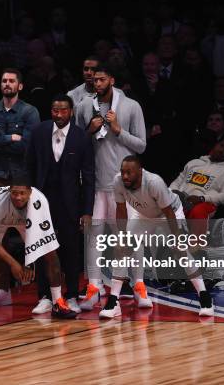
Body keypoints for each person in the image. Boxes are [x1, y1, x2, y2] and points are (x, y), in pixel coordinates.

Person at [100, 156, 214, 318]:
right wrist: (122, 236)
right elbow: (121, 210)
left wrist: (176, 238)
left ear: (140, 172)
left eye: (129, 173)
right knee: (122, 250)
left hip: (169, 213)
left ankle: (204, 297)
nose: (125, 176)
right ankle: (113, 302)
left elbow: (168, 212)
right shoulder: (118, 181)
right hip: (143, 215)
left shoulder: (154, 183)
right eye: (123, 172)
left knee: (181, 252)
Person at [74, 64, 146, 309]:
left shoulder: (131, 106)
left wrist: (118, 130)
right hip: (95, 185)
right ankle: (93, 287)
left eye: (102, 79)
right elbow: (76, 143)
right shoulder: (84, 106)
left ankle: (139, 286)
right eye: (94, 80)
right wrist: (88, 131)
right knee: (93, 238)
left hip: (124, 186)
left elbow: (141, 146)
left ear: (112, 80)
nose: (97, 84)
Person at [0, 180, 78, 323]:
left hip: (29, 220)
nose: (18, 197)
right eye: (14, 193)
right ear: (9, 191)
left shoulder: (39, 202)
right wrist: (14, 264)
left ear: (30, 192)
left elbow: (39, 240)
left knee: (50, 251)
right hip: (0, 220)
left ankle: (58, 302)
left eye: (22, 193)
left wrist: (29, 263)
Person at [26, 94, 95, 314]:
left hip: (70, 202)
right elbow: (29, 167)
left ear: (71, 112)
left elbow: (89, 178)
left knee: (70, 250)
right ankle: (45, 296)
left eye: (63, 110)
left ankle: (72, 295)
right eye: (55, 110)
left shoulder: (81, 137)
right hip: (41, 201)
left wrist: (87, 211)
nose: (59, 114)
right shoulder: (39, 132)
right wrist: (28, 198)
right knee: (42, 248)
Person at [0, 68, 40, 188]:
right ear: (0, 85)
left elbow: (27, 146)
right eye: (4, 81)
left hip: (22, 177)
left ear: (20, 86)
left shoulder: (30, 111)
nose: (7, 84)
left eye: (11, 81)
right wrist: (9, 138)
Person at [170, 138, 224, 237]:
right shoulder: (195, 162)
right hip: (181, 198)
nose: (221, 150)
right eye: (221, 145)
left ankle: (196, 246)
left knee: (198, 210)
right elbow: (178, 181)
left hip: (204, 203)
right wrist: (171, 192)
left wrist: (202, 198)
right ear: (216, 145)